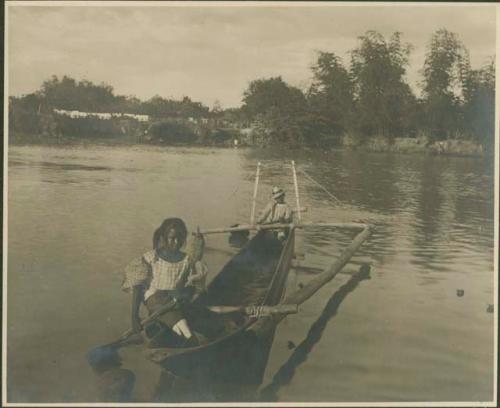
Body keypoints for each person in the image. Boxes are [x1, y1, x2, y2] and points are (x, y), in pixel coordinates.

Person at [121, 218, 208, 347]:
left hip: (174, 301)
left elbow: (193, 286)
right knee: (184, 327)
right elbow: (138, 288)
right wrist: (134, 317)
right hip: (155, 301)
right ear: (163, 237)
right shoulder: (151, 258)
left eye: (179, 238)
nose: (176, 242)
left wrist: (185, 293)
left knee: (197, 316)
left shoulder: (187, 260)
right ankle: (191, 339)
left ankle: (187, 337)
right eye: (172, 238)